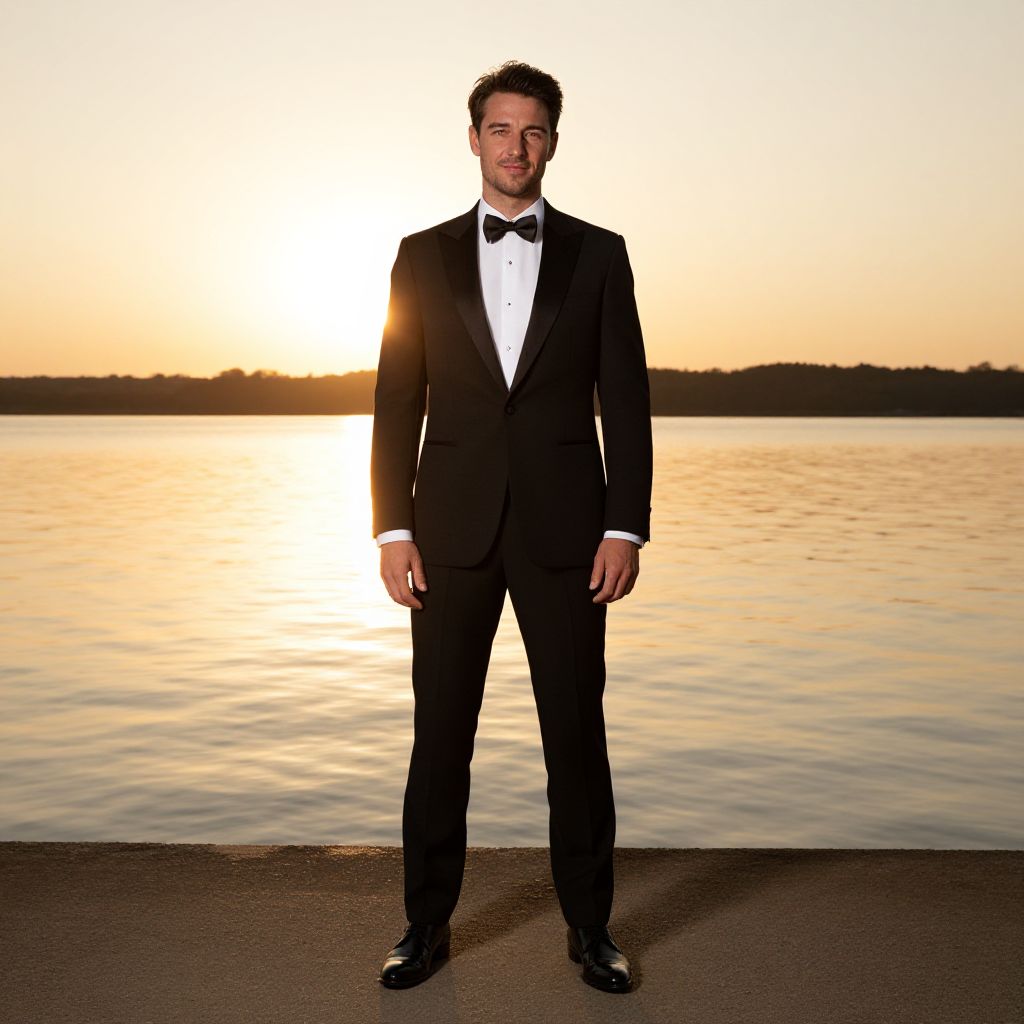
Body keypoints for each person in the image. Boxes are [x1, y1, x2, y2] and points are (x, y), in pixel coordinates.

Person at [370, 59, 653, 993]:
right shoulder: (421, 254)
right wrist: (390, 529)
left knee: (575, 732)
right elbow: (395, 401)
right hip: (445, 533)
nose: (516, 146)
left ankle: (590, 929)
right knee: (439, 734)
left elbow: (629, 401)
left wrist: (627, 527)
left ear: (553, 143)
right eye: (501, 129)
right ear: (474, 138)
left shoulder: (600, 254)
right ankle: (424, 926)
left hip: (571, 535)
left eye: (534, 131)